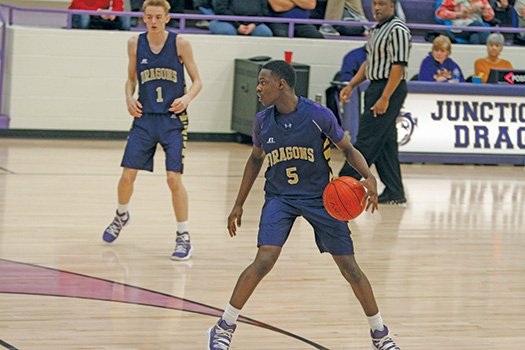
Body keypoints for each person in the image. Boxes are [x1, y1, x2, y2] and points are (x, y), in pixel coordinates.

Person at [207, 60, 401, 350]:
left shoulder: (318, 115)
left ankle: (380, 333)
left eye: (263, 82)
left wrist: (368, 176)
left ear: (281, 84)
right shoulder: (262, 120)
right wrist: (238, 204)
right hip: (280, 197)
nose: (258, 88)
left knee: (350, 267)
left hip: (320, 198)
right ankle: (223, 326)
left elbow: (347, 148)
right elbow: (256, 159)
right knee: (264, 260)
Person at [102, 0, 203, 260]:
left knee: (173, 179)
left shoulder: (180, 43)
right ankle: (121, 215)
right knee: (127, 176)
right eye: (149, 17)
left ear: (167, 18)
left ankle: (183, 235)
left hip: (172, 120)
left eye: (158, 17)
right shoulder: (135, 43)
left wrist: (187, 98)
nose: (154, 21)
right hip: (144, 118)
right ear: (143, 18)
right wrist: (128, 97)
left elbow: (197, 82)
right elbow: (131, 79)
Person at [339, 0, 411, 205]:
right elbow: (369, 62)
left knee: (366, 140)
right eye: (374, 4)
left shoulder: (398, 30)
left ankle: (343, 184)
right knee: (385, 143)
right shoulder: (377, 29)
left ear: (392, 5)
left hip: (389, 88)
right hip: (375, 87)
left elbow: (398, 67)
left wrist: (385, 97)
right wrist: (351, 85)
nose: (377, 8)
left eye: (382, 4)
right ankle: (395, 191)